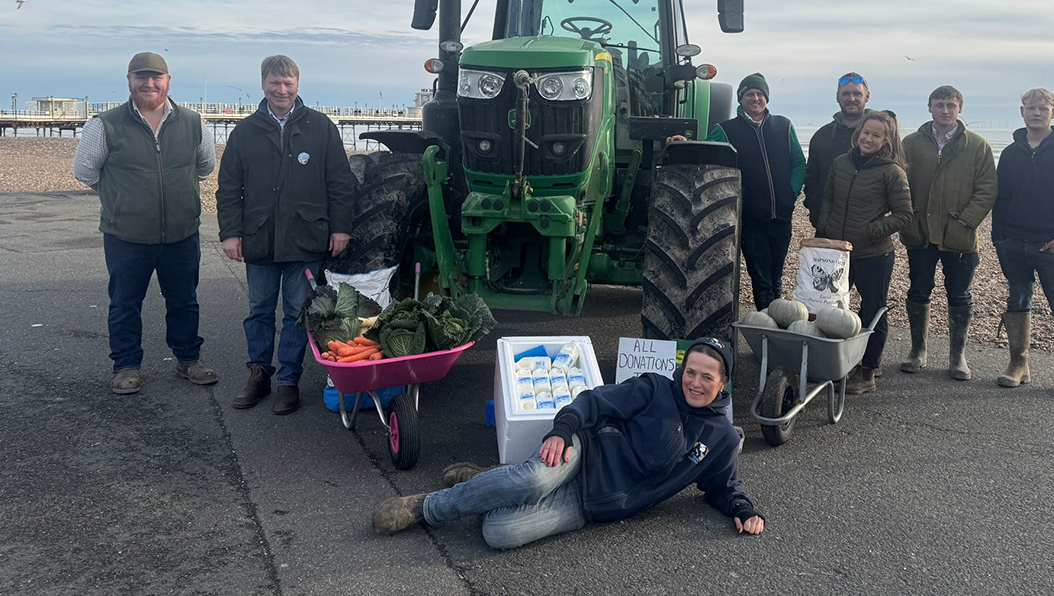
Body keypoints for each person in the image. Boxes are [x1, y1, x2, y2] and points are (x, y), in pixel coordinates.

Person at [372, 338, 765, 549]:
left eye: (707, 377)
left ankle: (494, 481)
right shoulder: (653, 388)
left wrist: (743, 507)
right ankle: (426, 508)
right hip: (584, 454)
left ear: (723, 382)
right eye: (690, 372)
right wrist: (563, 430)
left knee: (500, 534)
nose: (695, 383)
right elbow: (593, 401)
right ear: (682, 369)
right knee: (534, 482)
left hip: (596, 504)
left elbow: (723, 485)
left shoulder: (723, 437)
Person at [216, 55, 355, 414]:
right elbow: (229, 187)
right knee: (259, 311)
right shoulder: (245, 132)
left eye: (288, 83)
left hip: (306, 239)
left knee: (296, 313)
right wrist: (230, 233)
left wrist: (340, 228)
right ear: (263, 84)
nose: (281, 90)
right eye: (275, 83)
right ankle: (259, 374)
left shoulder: (321, 128)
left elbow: (340, 183)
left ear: (297, 85)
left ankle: (288, 382)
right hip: (259, 238)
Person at [73, 52, 219, 395]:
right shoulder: (104, 124)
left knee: (184, 300)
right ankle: (125, 367)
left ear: (168, 81)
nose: (149, 83)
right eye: (141, 76)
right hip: (126, 235)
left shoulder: (194, 123)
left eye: (156, 77)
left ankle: (188, 360)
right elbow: (85, 172)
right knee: (125, 303)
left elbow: (204, 168)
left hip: (182, 233)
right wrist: (122, 198)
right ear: (129, 80)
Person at [993, 88, 1054, 400]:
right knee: (1017, 301)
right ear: (1022, 112)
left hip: (1053, 245)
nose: (1036, 113)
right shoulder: (1011, 153)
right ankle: (1018, 365)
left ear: (1053, 113)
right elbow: (1002, 197)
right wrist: (999, 238)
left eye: (1042, 108)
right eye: (1031, 108)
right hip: (1013, 242)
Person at [898, 86, 997, 381]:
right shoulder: (911, 143)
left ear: (960, 109)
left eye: (950, 105)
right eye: (939, 104)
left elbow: (987, 189)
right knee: (918, 290)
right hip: (920, 234)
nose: (945, 110)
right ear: (929, 107)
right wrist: (908, 219)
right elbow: (898, 183)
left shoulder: (977, 146)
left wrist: (965, 221)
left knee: (959, 295)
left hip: (960, 238)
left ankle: (958, 357)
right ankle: (918, 351)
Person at [816, 110, 913, 395]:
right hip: (839, 252)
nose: (868, 139)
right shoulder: (841, 163)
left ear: (886, 141)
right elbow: (828, 198)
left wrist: (871, 230)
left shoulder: (892, 172)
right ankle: (839, 363)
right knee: (834, 308)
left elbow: (904, 214)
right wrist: (825, 225)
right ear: (858, 133)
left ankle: (869, 370)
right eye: (865, 133)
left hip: (874, 254)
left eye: (876, 135)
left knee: (872, 311)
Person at [706, 73, 807, 311]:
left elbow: (799, 164)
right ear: (740, 99)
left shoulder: (784, 126)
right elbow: (706, 157)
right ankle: (767, 333)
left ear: (767, 98)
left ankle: (772, 331)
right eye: (750, 93)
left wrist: (789, 195)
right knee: (762, 282)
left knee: (777, 279)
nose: (756, 98)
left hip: (781, 218)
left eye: (760, 94)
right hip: (751, 220)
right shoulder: (726, 130)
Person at [803, 72, 872, 230]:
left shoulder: (880, 136)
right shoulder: (822, 136)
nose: (851, 98)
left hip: (870, 234)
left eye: (857, 93)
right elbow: (811, 179)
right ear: (837, 97)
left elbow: (895, 179)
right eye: (846, 94)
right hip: (828, 227)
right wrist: (816, 212)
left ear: (867, 97)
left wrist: (878, 223)